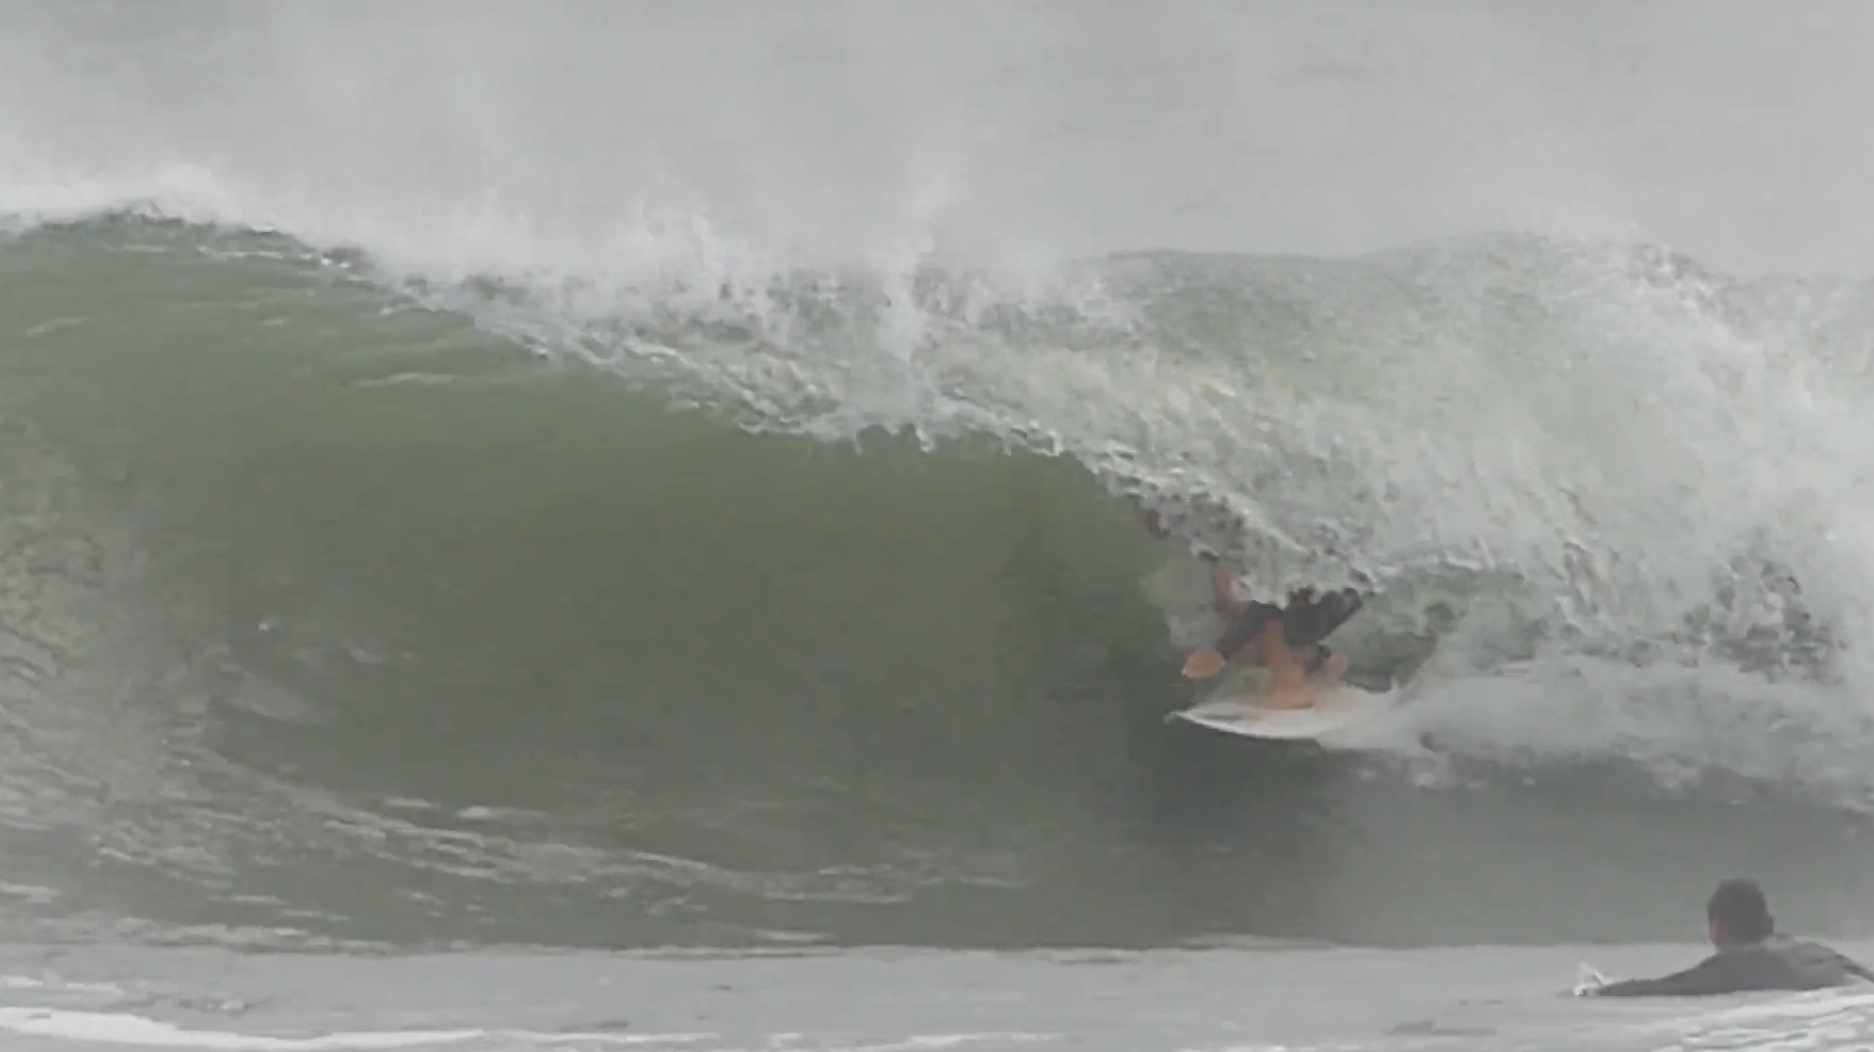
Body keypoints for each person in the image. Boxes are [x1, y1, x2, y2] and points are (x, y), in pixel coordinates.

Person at [1135, 502, 1363, 709]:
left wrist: (1222, 652)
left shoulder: (1239, 532)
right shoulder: (1213, 531)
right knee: (1243, 619)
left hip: (1330, 596)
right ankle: (1318, 665)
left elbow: (1270, 603)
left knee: (1250, 612)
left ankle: (1290, 685)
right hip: (1340, 593)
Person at [1586, 878, 1874, 998]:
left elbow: (1667, 987)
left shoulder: (1741, 963)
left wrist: (1595, 993)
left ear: (1717, 929)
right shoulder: (1809, 947)